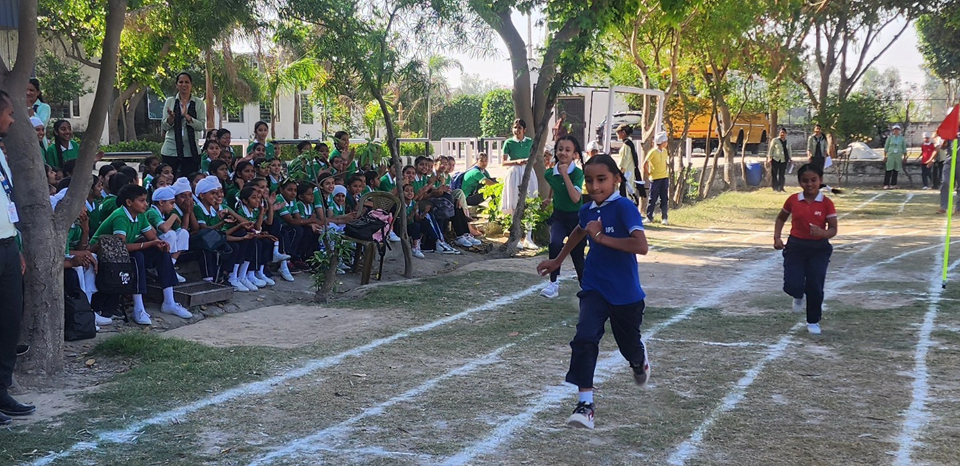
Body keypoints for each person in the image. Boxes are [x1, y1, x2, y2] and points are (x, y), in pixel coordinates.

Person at [536, 154, 651, 430]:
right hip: (594, 286)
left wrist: (600, 238)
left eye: (602, 179)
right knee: (585, 339)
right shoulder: (588, 209)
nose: (595, 186)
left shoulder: (624, 207)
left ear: (616, 179)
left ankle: (639, 361)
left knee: (629, 347)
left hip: (625, 293)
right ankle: (585, 405)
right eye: (589, 180)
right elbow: (579, 231)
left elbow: (641, 246)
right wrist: (558, 260)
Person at [89, 184, 193, 325]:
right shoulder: (120, 216)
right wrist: (148, 244)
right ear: (129, 202)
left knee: (162, 253)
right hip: (105, 255)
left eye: (146, 200)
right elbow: (119, 247)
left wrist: (159, 243)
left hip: (120, 253)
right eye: (142, 200)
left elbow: (152, 236)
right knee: (137, 257)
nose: (146, 204)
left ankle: (169, 302)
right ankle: (138, 308)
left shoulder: (140, 215)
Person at [0, 90, 35, 426]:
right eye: (9, 113)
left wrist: (18, 246)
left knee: (9, 322)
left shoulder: (0, 153)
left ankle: (2, 391)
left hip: (8, 247)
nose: (12, 120)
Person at [773, 163, 837, 335]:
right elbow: (781, 218)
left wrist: (822, 233)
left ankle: (813, 321)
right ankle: (798, 294)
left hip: (819, 249)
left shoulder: (826, 203)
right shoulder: (793, 200)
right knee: (792, 284)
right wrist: (777, 237)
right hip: (796, 247)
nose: (810, 184)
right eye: (805, 181)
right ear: (800, 182)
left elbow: (833, 229)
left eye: (814, 180)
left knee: (815, 285)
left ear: (820, 180)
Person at [540, 135, 586, 299]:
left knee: (577, 256)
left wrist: (565, 174)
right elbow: (555, 184)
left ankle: (586, 288)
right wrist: (549, 198)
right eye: (560, 149)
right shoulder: (549, 174)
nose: (563, 153)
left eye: (568, 150)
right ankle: (553, 284)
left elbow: (575, 198)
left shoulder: (578, 174)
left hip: (576, 219)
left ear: (575, 154)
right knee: (554, 244)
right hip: (559, 216)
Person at [501, 119, 539, 248]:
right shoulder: (509, 142)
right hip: (514, 172)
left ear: (524, 130)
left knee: (530, 202)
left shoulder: (529, 142)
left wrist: (528, 162)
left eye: (519, 128)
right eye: (515, 127)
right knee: (514, 203)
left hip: (527, 171)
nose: (517, 130)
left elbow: (534, 159)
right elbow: (503, 162)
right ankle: (516, 237)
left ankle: (528, 237)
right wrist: (516, 162)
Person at [160, 72, 205, 176]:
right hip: (171, 150)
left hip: (191, 151)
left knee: (190, 181)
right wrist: (171, 118)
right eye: (181, 82)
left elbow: (201, 126)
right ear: (177, 85)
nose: (184, 85)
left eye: (186, 82)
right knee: (168, 179)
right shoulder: (170, 101)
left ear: (191, 85)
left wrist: (187, 116)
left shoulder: (198, 103)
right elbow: (164, 126)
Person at [616, 124, 646, 211]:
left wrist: (619, 175)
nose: (617, 135)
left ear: (623, 132)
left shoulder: (626, 145)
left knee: (626, 195)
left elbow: (624, 162)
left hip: (626, 175)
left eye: (618, 132)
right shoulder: (630, 143)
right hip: (630, 173)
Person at [644, 131, 670, 225]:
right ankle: (649, 217)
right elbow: (645, 164)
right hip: (655, 178)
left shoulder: (665, 151)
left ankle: (664, 217)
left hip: (664, 177)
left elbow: (665, 162)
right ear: (662, 142)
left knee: (664, 198)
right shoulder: (653, 152)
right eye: (665, 141)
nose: (666, 143)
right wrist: (648, 174)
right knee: (652, 198)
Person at [767, 127, 791, 192]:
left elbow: (789, 150)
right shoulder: (775, 140)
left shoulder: (787, 141)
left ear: (786, 134)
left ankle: (781, 187)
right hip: (776, 159)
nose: (782, 134)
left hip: (784, 159)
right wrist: (769, 157)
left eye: (783, 133)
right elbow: (771, 149)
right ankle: (775, 187)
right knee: (774, 173)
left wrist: (790, 158)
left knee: (782, 174)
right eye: (781, 132)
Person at [884, 124, 906, 190]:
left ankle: (893, 184)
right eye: (895, 129)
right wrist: (885, 156)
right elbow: (886, 147)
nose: (896, 131)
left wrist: (905, 157)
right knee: (889, 169)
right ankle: (886, 184)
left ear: (899, 130)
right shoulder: (890, 138)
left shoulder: (902, 138)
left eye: (897, 129)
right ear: (893, 130)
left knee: (896, 170)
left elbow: (904, 147)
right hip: (891, 155)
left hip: (898, 155)